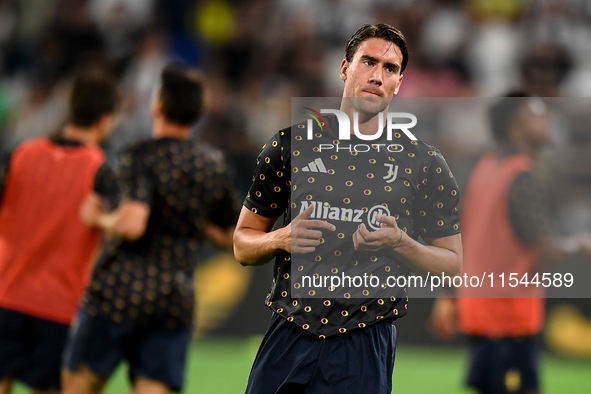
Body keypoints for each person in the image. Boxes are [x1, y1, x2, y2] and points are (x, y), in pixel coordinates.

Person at [233, 23, 463, 394]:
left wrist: (400, 243)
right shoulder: (289, 146)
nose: (377, 76)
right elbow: (242, 244)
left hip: (365, 343)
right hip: (289, 333)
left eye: (390, 69)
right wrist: (281, 237)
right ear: (345, 68)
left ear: (400, 83)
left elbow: (453, 266)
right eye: (368, 62)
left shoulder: (424, 163)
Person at [62, 64, 238, 394]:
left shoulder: (139, 155)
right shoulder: (213, 164)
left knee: (77, 386)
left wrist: (99, 218)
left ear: (158, 106)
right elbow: (231, 238)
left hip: (119, 292)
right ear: (198, 112)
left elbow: (131, 224)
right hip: (173, 301)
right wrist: (192, 218)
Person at [430, 93, 591, 394]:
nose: (547, 120)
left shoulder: (485, 167)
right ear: (517, 128)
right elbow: (546, 250)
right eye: (537, 115)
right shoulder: (523, 176)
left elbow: (461, 238)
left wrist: (448, 295)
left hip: (478, 308)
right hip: (507, 316)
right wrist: (580, 243)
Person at [0, 75, 119, 394]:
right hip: (58, 303)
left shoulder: (21, 154)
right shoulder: (101, 170)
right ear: (105, 119)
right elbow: (120, 226)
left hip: (7, 292)